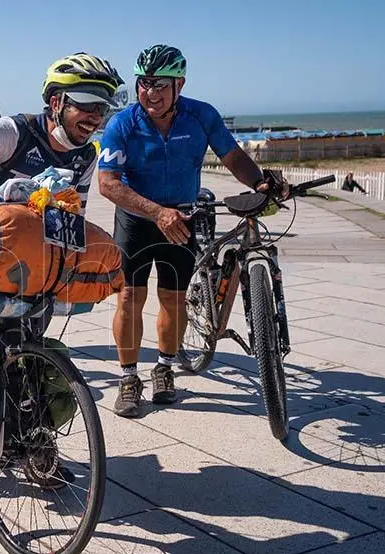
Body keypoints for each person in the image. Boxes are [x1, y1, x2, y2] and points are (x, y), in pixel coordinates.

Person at [98, 44, 285, 418]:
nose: (151, 92)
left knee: (173, 299)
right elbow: (108, 183)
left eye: (160, 84)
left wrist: (260, 183)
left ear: (179, 84)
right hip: (137, 221)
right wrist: (156, 213)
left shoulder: (201, 116)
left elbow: (233, 156)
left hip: (182, 219)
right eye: (144, 83)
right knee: (130, 298)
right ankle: (129, 378)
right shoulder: (122, 124)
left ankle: (164, 369)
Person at [0, 52, 122, 244]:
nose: (96, 117)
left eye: (102, 108)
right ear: (56, 103)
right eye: (86, 105)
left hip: (35, 250)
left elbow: (75, 218)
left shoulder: (86, 156)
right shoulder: (16, 132)